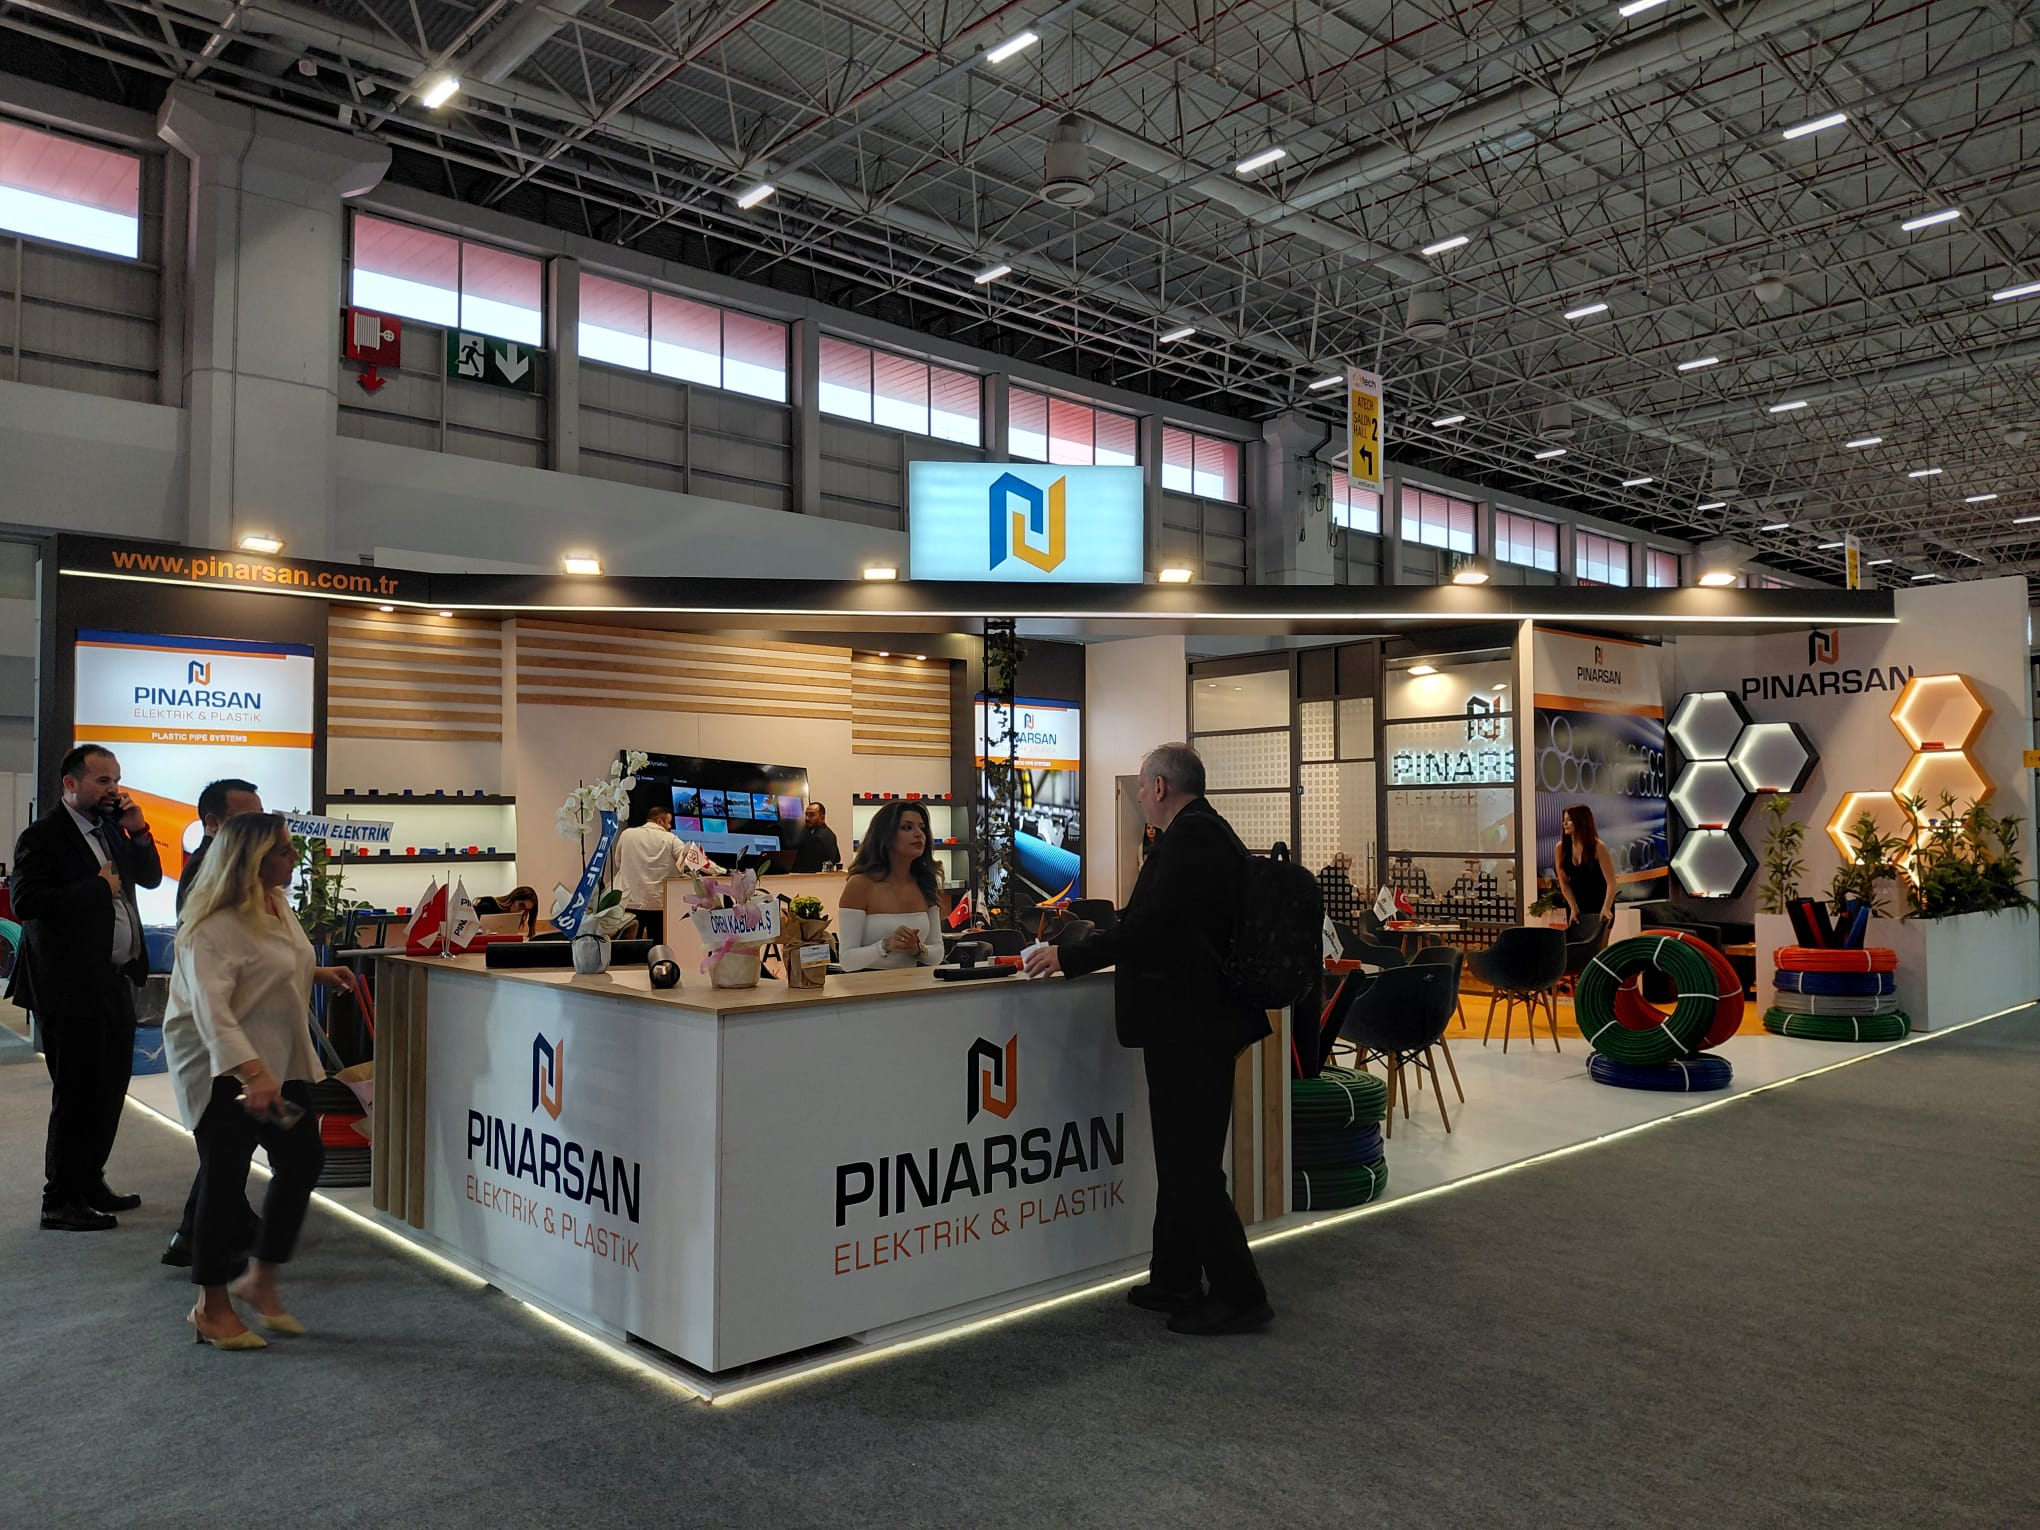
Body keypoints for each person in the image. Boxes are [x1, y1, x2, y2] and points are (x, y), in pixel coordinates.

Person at [1024, 742, 1273, 1337]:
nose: (1138, 795)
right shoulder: (1206, 834)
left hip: (1191, 1024)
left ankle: (1240, 1295)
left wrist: (1069, 956)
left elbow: (1149, 929)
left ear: (1160, 787)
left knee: (1190, 1166)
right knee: (1182, 1159)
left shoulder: (1192, 839)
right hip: (1194, 1021)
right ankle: (1175, 1277)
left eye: (1141, 786)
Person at [165, 812, 350, 1348]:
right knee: (223, 1180)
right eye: (284, 851)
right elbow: (213, 1010)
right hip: (219, 1067)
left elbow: (275, 959)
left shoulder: (274, 902)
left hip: (274, 1060)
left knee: (303, 1160)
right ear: (252, 861)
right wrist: (252, 1072)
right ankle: (210, 1306)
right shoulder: (209, 927)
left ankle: (260, 1277)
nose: (295, 857)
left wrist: (317, 973)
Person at [7, 744, 164, 1232]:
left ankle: (89, 1181)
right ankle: (59, 1199)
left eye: (116, 779)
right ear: (71, 784)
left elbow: (151, 878)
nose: (113, 789)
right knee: (76, 1093)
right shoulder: (43, 836)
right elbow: (26, 901)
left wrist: (139, 830)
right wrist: (97, 888)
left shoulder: (113, 830)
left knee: (110, 1088)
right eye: (102, 780)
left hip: (114, 980)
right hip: (67, 987)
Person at [163, 777, 265, 1268]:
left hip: (233, 1029)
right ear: (213, 822)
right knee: (227, 1145)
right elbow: (215, 964)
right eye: (247, 819)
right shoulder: (210, 872)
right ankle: (194, 1240)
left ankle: (224, 1226)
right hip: (215, 1035)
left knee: (229, 1146)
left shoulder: (232, 868)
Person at [835, 800, 945, 970]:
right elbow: (847, 960)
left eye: (922, 828)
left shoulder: (925, 883)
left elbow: (937, 953)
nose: (919, 834)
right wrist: (886, 945)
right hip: (868, 983)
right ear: (886, 836)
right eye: (907, 827)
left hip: (915, 982)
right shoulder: (860, 885)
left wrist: (917, 949)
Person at [176, 777, 262, 913]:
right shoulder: (203, 869)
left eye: (261, 817)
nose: (260, 826)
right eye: (247, 819)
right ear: (213, 822)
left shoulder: (238, 860)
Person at [613, 806, 683, 943]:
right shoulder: (671, 839)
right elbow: (689, 858)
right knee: (658, 946)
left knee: (628, 946)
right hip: (658, 903)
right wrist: (720, 871)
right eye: (669, 822)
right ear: (660, 821)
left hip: (629, 900)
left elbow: (618, 862)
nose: (670, 827)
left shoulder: (626, 834)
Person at [1554, 802, 1617, 945]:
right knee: (1577, 948)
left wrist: (1606, 907)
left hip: (1600, 902)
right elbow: (1564, 883)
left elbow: (1611, 882)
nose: (1565, 823)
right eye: (1564, 820)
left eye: (1569, 820)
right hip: (1576, 903)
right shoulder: (1560, 848)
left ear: (1581, 822)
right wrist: (1573, 906)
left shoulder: (1598, 847)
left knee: (1599, 948)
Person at [792, 801, 841, 873]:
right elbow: (837, 858)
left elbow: (806, 864)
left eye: (812, 815)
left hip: (811, 877)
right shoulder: (831, 834)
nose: (807, 818)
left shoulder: (816, 838)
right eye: (806, 814)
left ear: (822, 817)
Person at [1316, 852, 1358, 930]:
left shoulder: (1324, 873)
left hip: (1323, 918)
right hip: (1339, 919)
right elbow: (1347, 901)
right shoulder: (1343, 879)